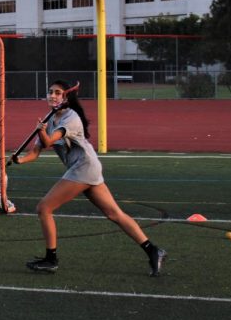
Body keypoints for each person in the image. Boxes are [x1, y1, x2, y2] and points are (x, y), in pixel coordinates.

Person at [11, 80, 166, 276]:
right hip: (85, 168)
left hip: (83, 167)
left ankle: (51, 259)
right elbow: (35, 152)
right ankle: (153, 250)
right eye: (50, 92)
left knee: (44, 208)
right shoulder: (49, 120)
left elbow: (49, 141)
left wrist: (41, 131)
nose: (52, 95)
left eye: (57, 93)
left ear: (65, 97)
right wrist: (19, 160)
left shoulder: (71, 118)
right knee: (114, 214)